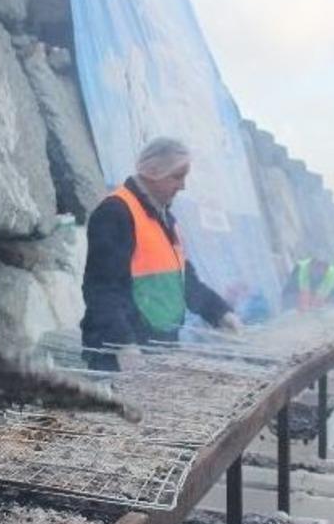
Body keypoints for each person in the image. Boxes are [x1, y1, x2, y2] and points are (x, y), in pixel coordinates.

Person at [80, 137, 240, 371]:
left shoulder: (165, 219)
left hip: (158, 347)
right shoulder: (116, 212)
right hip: (120, 355)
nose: (182, 186)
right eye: (177, 177)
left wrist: (220, 313)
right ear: (153, 171)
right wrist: (123, 344)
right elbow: (101, 289)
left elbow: (185, 281)